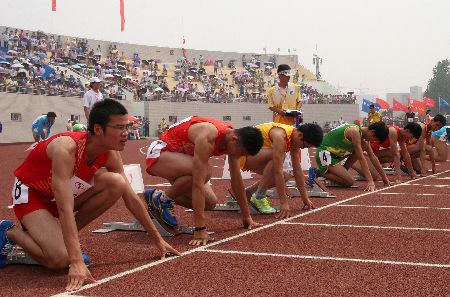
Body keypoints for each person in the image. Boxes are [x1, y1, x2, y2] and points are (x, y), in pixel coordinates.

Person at [0, 99, 179, 292]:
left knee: (117, 183)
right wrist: (75, 261)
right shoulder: (66, 149)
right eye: (119, 127)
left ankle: (60, 241)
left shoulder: (110, 154)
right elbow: (64, 208)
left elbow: (131, 198)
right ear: (98, 129)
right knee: (59, 260)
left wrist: (157, 239)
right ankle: (9, 231)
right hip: (33, 196)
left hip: (62, 193)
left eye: (127, 126)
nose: (126, 132)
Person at [145, 116, 264, 246]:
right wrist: (200, 229)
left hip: (180, 160)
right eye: (241, 153)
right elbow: (197, 183)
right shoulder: (208, 135)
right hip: (160, 154)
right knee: (205, 172)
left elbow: (236, 179)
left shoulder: (233, 139)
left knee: (210, 203)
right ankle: (163, 199)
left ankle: (157, 197)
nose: (239, 157)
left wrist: (247, 217)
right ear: (234, 140)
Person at [240, 123, 324, 218]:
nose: (302, 148)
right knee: (279, 158)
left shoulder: (294, 137)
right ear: (300, 135)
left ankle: (250, 192)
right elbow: (277, 171)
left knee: (286, 176)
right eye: (304, 146)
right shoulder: (280, 136)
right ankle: (259, 196)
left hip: (252, 154)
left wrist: (305, 198)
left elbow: (297, 171)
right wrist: (283, 203)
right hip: (241, 153)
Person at [314, 122, 391, 191]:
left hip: (336, 156)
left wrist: (385, 178)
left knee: (364, 145)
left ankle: (342, 171)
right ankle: (317, 173)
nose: (372, 141)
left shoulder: (363, 139)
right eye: (374, 139)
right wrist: (370, 181)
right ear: (372, 132)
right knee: (349, 182)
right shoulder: (354, 131)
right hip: (324, 153)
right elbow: (361, 158)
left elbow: (373, 157)